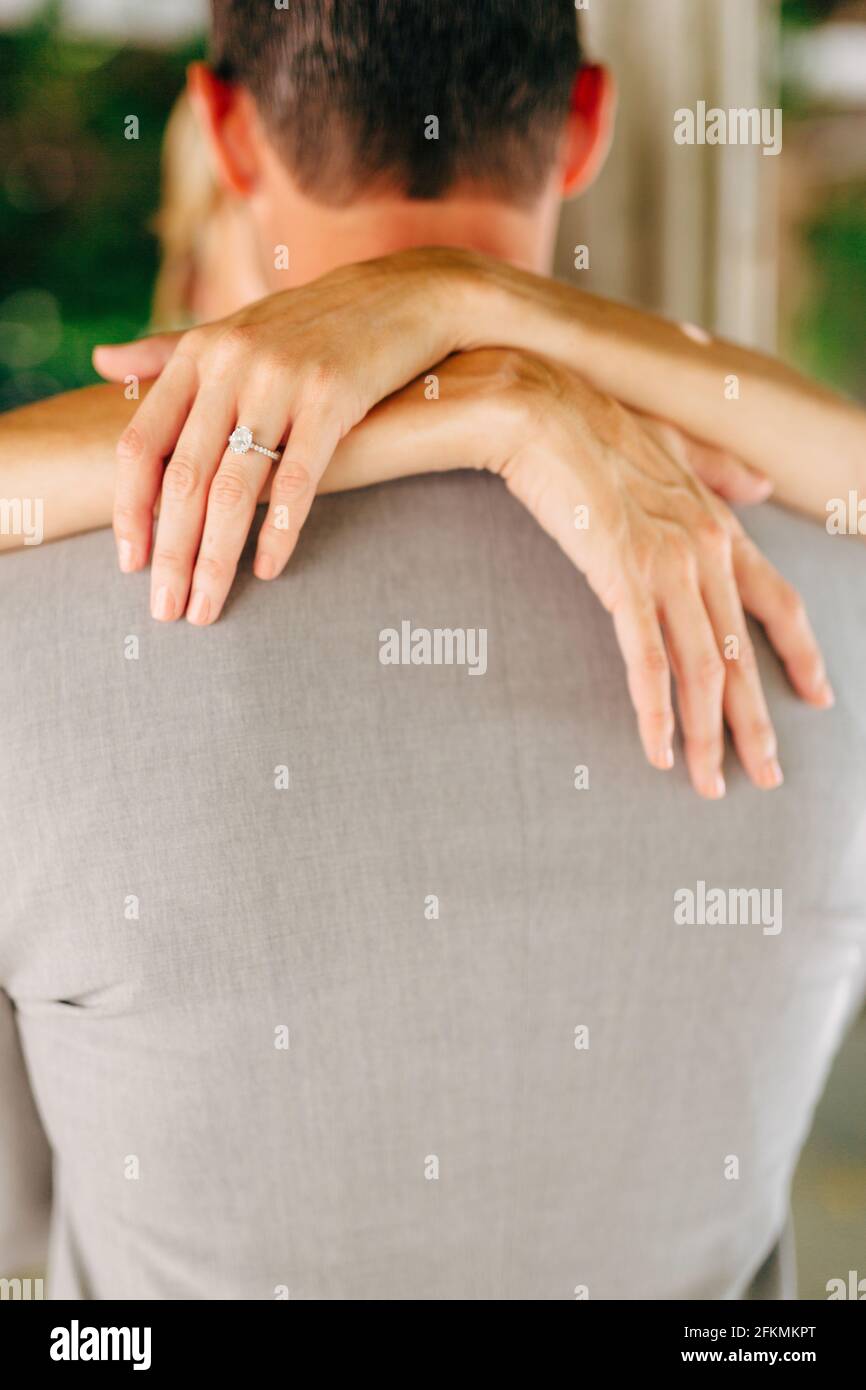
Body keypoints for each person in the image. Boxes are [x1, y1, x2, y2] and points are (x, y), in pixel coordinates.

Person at [1, 0, 864, 1299]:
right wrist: (486, 358)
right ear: (585, 125)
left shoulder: (37, 633)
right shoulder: (820, 604)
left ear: (225, 131)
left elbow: (19, 1207)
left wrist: (457, 356)